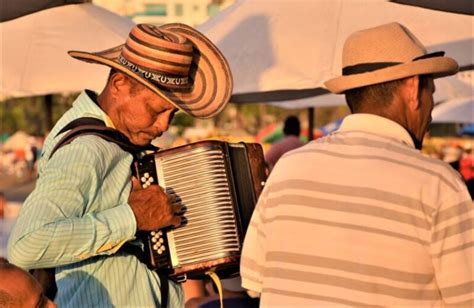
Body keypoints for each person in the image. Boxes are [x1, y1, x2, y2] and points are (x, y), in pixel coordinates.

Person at [240, 22, 473, 306]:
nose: (431, 109)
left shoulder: (288, 169)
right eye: (431, 93)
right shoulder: (439, 185)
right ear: (413, 89)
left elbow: (254, 281)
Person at [8, 23, 232, 307]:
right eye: (157, 109)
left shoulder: (118, 144)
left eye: (171, 114)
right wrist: (133, 219)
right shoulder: (87, 149)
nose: (164, 125)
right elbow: (26, 246)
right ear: (119, 86)